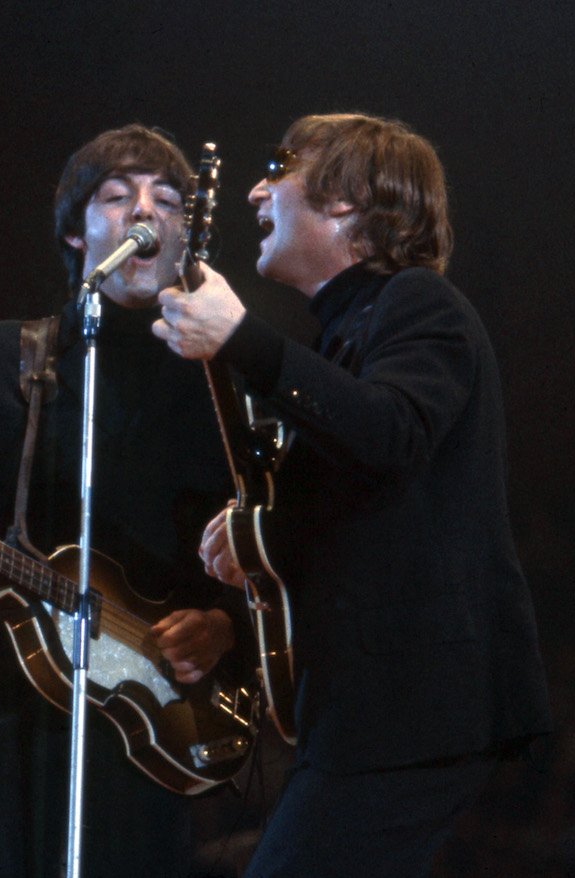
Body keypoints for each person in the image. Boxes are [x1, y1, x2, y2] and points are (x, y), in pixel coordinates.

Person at [154, 113, 552, 876]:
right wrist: (257, 535)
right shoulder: (341, 337)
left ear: (346, 200)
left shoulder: (417, 304)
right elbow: (368, 501)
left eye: (280, 168)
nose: (254, 189)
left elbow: (395, 433)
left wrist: (242, 338)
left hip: (410, 709)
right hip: (367, 714)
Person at [0, 125, 250, 876]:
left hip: (155, 706)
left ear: (186, 238)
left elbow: (253, 540)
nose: (146, 211)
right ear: (77, 234)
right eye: (117, 196)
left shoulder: (216, 384)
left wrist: (223, 624)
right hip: (0, 706)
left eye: (167, 200)